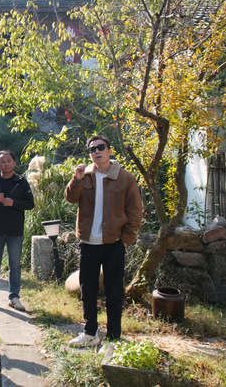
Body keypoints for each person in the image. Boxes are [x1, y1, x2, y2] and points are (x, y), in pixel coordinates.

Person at [64, 135, 142, 347]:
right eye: (92, 149)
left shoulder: (125, 178)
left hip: (113, 243)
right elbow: (71, 198)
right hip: (88, 243)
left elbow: (135, 212)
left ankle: (114, 337)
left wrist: (125, 240)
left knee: (114, 291)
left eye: (100, 147)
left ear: (109, 150)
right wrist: (77, 179)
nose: (96, 151)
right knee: (87, 290)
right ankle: (90, 333)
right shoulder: (85, 176)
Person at [0, 150, 34, 312]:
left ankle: (14, 297)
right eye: (3, 161)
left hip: (15, 230)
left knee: (15, 265)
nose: (6, 164)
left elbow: (30, 204)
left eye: (9, 161)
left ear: (14, 163)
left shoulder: (21, 181)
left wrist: (14, 203)